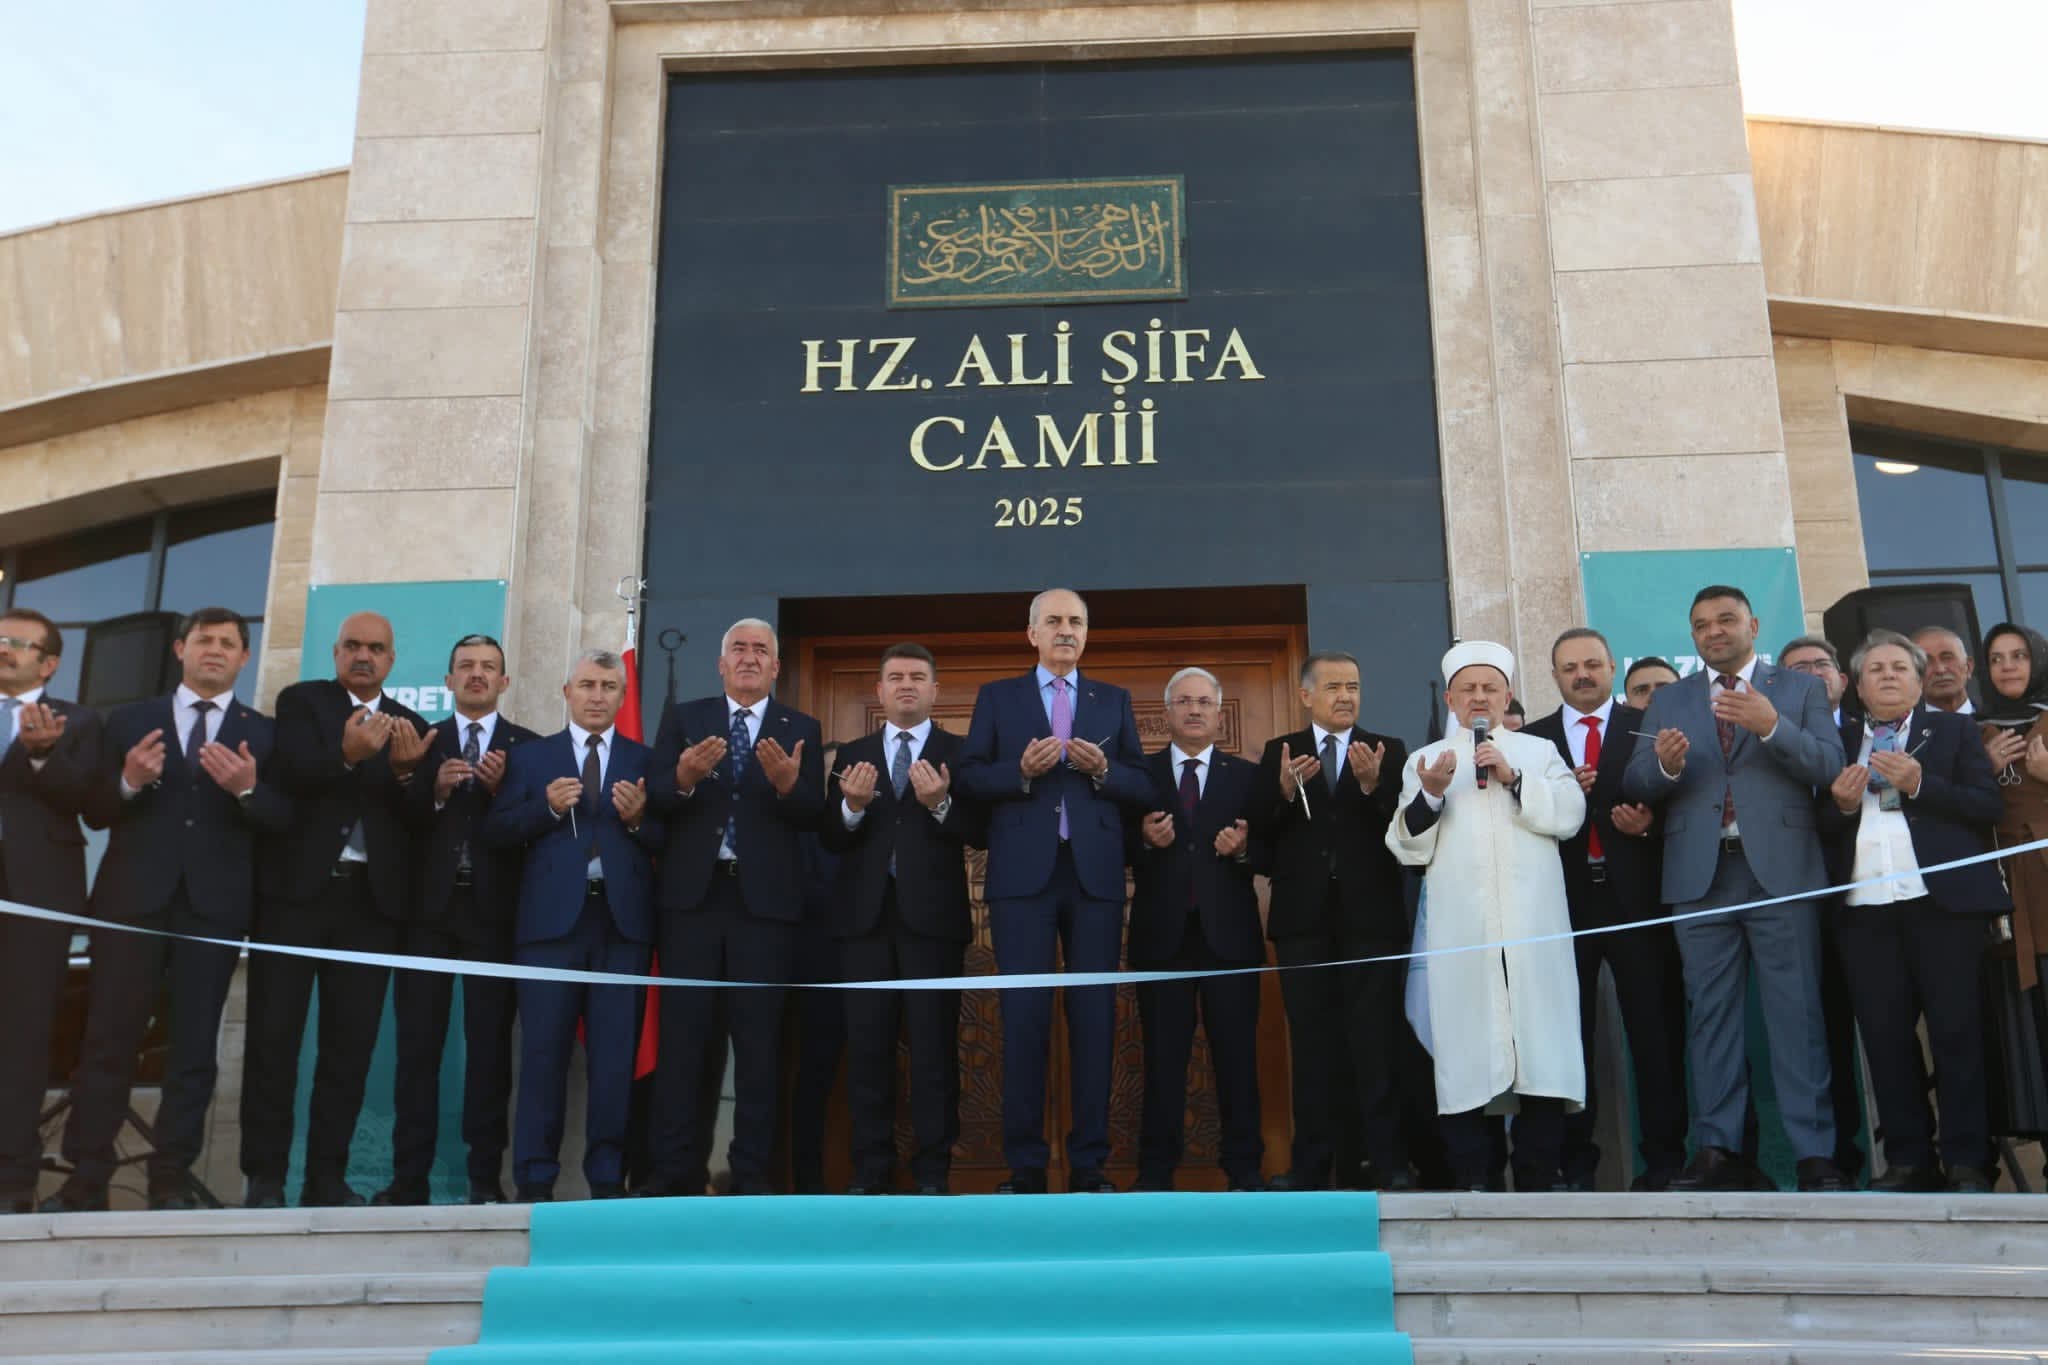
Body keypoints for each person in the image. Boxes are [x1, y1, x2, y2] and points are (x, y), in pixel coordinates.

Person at [41, 609, 286, 1213]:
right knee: (108, 1040)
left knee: (194, 1049)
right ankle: (85, 1178)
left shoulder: (265, 733)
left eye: (228, 643)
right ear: (180, 649)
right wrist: (127, 781)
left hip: (213, 911)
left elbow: (284, 821)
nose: (214, 650)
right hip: (131, 905)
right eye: (204, 640)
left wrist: (248, 790)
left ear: (244, 657)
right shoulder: (127, 720)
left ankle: (170, 1177)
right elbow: (95, 811)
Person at [1624, 585, 1847, 1192]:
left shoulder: (1798, 690)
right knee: (1711, 1018)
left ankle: (1814, 1155)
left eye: (1726, 619)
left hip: (1781, 874)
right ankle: (1717, 1149)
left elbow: (1830, 767)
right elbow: (1637, 779)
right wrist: (1665, 766)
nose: (1714, 631)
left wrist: (1772, 728)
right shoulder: (1670, 698)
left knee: (1796, 1015)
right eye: (1701, 624)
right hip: (1699, 878)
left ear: (1753, 624)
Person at [954, 589, 1150, 1194]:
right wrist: (1020, 772)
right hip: (1021, 880)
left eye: (1077, 622)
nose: (1067, 630)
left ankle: (1089, 1167)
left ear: (1086, 634)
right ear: (1032, 633)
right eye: (1055, 621)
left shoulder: (1112, 700)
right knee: (1023, 1020)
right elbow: (968, 779)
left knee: (1094, 1021)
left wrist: (1103, 771)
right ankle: (1026, 1168)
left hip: (1094, 878)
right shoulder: (998, 697)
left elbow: (1142, 785)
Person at [243, 612, 432, 1207]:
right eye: (352, 645)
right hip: (295, 899)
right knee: (273, 1042)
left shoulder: (412, 725)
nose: (363, 656)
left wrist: (407, 775)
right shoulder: (302, 703)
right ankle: (265, 1179)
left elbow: (418, 825)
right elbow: (290, 774)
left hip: (369, 909)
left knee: (348, 1053)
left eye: (375, 648)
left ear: (392, 660)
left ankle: (326, 1181)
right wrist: (347, 756)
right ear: (336, 652)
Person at [1388, 641, 1586, 1191]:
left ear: (1507, 695)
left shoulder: (1538, 752)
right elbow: (1407, 845)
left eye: (1490, 688)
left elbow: (1570, 814)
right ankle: (1475, 1175)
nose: (1479, 697)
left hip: (1533, 931)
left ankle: (1538, 1174)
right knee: (1466, 1049)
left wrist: (1514, 778)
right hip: (1464, 934)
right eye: (1468, 689)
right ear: (1450, 699)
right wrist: (1430, 796)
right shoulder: (1425, 760)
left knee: (1541, 1047)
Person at [645, 619, 824, 1196]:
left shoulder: (801, 727)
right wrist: (684, 777)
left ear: (776, 667)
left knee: (759, 1049)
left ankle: (751, 1178)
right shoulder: (685, 719)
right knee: (684, 1046)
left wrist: (789, 784)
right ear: (721, 664)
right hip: (693, 905)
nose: (749, 658)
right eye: (738, 650)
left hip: (764, 911)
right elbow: (656, 797)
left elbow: (814, 815)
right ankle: (675, 1175)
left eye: (761, 650)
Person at [1825, 630, 2006, 1192]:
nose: (1887, 676)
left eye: (1899, 667)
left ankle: (1968, 1161)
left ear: (1920, 679)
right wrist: (1841, 806)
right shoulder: (1837, 739)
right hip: (1865, 909)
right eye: (1875, 669)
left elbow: (1987, 805)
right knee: (1884, 1039)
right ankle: (1908, 1160)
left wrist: (1921, 782)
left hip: (1942, 906)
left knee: (1957, 1034)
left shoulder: (1953, 731)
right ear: (1857, 686)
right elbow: (1814, 827)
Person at [484, 650, 661, 1201]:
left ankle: (606, 1181)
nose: (597, 696)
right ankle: (535, 1180)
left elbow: (670, 841)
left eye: (608, 686)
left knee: (613, 1061)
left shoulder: (647, 759)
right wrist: (546, 809)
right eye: (586, 684)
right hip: (549, 931)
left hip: (621, 928)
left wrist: (639, 820)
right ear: (567, 692)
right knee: (542, 1057)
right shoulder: (531, 758)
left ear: (622, 696)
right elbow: (497, 832)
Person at [375, 634, 537, 1206]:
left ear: (504, 682)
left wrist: (499, 793)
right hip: (428, 916)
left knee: (489, 1052)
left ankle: (484, 1180)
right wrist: (435, 793)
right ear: (448, 680)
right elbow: (394, 823)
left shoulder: (529, 747)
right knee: (418, 1051)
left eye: (488, 667)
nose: (477, 674)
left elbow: (533, 829)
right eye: (466, 666)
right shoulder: (419, 739)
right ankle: (408, 1180)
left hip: (495, 917)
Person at [1522, 628, 1687, 1191]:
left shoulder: (1648, 728)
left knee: (1655, 1033)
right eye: (1570, 667)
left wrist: (1649, 828)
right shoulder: (1533, 741)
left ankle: (1665, 1163)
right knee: (1569, 1037)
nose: (1582, 675)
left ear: (1612, 668)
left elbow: (1686, 807)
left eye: (1592, 663)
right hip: (1563, 904)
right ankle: (1576, 1166)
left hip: (1636, 900)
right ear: (1554, 676)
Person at [820, 645, 984, 1195]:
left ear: (935, 690)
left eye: (917, 676)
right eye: (895, 677)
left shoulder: (960, 752)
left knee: (935, 1051)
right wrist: (851, 807)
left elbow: (980, 830)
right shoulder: (854, 753)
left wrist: (940, 804)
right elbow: (830, 837)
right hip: (863, 925)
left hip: (932, 924)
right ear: (880, 691)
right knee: (868, 1051)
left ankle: (933, 1172)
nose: (906, 684)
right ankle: (871, 1170)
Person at [1253, 651, 1413, 1191]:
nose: (1346, 696)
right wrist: (1280, 794)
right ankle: (1310, 1166)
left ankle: (1386, 1163)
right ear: (1306, 696)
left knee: (1376, 1043)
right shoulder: (1281, 752)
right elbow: (1260, 838)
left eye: (1353, 686)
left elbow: (1406, 831)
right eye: (1334, 687)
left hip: (1372, 921)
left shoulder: (1388, 750)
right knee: (1312, 1046)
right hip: (1304, 924)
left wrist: (1371, 786)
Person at [1127, 667, 1267, 1192]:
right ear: (1167, 712)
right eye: (1184, 701)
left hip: (1230, 940)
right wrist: (1142, 840)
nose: (1193, 710)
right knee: (1162, 1061)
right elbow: (1111, 842)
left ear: (1218, 713)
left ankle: (1245, 1170)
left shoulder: (1247, 776)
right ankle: (1155, 1173)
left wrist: (1245, 851)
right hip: (1162, 939)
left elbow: (1273, 849)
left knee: (1237, 1058)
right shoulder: (1140, 775)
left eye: (1204, 702)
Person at [0, 609, 103, 1214]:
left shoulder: (80, 721)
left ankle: (12, 1177)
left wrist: (42, 757)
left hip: (36, 896)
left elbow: (92, 803)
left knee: (23, 1033)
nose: (3, 648)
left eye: (17, 642)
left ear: (50, 663)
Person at [1778, 631, 1869, 1185]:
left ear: (1842, 678)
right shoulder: (1769, 743)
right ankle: (1839, 1155)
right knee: (1821, 1030)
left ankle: (1914, 1154)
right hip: (1799, 907)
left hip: (1869, 903)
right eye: (1797, 669)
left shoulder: (1871, 734)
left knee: (1886, 1029)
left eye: (1820, 664)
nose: (1811, 675)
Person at [1979, 622, 2048, 992]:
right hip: (2006, 885)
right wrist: (1983, 770)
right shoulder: (1974, 729)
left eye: (2019, 656)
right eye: (1996, 659)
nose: (2007, 666)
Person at [1780, 635, 1847, 724]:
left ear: (1842, 682)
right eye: (1800, 668)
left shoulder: (1864, 729)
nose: (1815, 673)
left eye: (1823, 664)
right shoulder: (1772, 732)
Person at [1914, 627, 1976, 716]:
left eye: (1947, 658)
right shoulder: (1907, 725)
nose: (1940, 670)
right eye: (1926, 662)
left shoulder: (1995, 720)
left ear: (1968, 667)